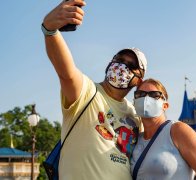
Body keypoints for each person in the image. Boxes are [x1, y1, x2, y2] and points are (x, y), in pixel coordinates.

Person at [42, 0, 147, 179]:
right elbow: (66, 73)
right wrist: (50, 30)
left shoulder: (136, 116)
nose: (122, 66)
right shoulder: (87, 92)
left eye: (131, 65)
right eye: (119, 59)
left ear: (138, 80)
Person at [130, 79, 196, 180]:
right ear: (135, 102)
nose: (146, 98)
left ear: (165, 105)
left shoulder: (177, 130)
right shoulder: (136, 140)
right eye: (140, 94)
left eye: (154, 95)